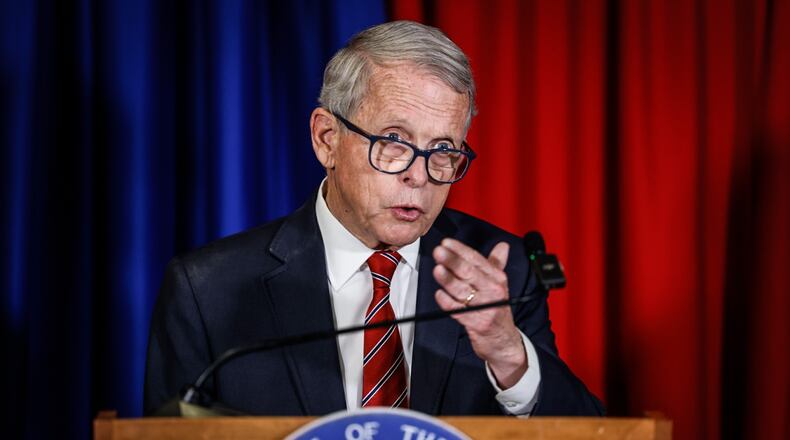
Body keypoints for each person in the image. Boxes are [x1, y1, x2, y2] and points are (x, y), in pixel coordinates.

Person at [144, 20, 603, 417]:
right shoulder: (207, 289)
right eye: (394, 141)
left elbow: (586, 434)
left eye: (443, 150)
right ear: (327, 139)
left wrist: (508, 353)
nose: (420, 176)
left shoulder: (501, 273)